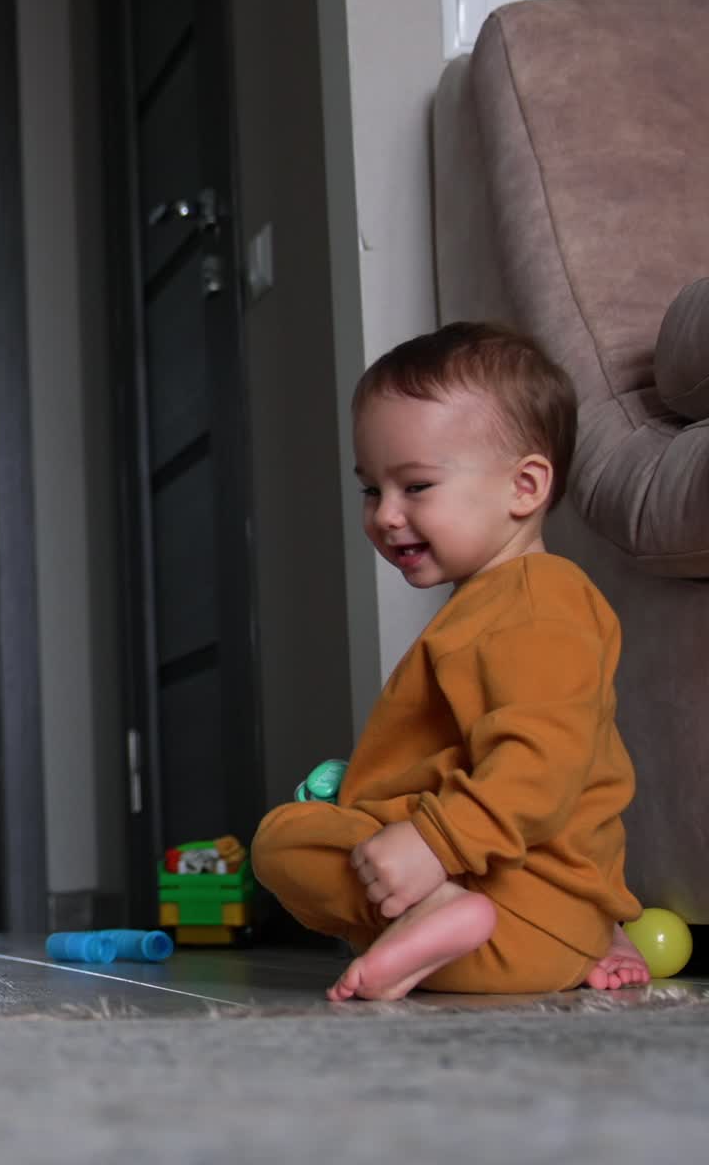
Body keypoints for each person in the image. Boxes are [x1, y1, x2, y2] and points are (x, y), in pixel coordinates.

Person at [251, 321, 651, 1001]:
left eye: (416, 486)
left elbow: (542, 766)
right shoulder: (500, 604)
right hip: (544, 916)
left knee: (281, 841)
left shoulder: (536, 606)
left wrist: (433, 843)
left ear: (524, 488)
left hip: (507, 920)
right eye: (371, 490)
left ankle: (437, 913)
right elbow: (582, 783)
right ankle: (553, 922)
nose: (385, 515)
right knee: (321, 827)